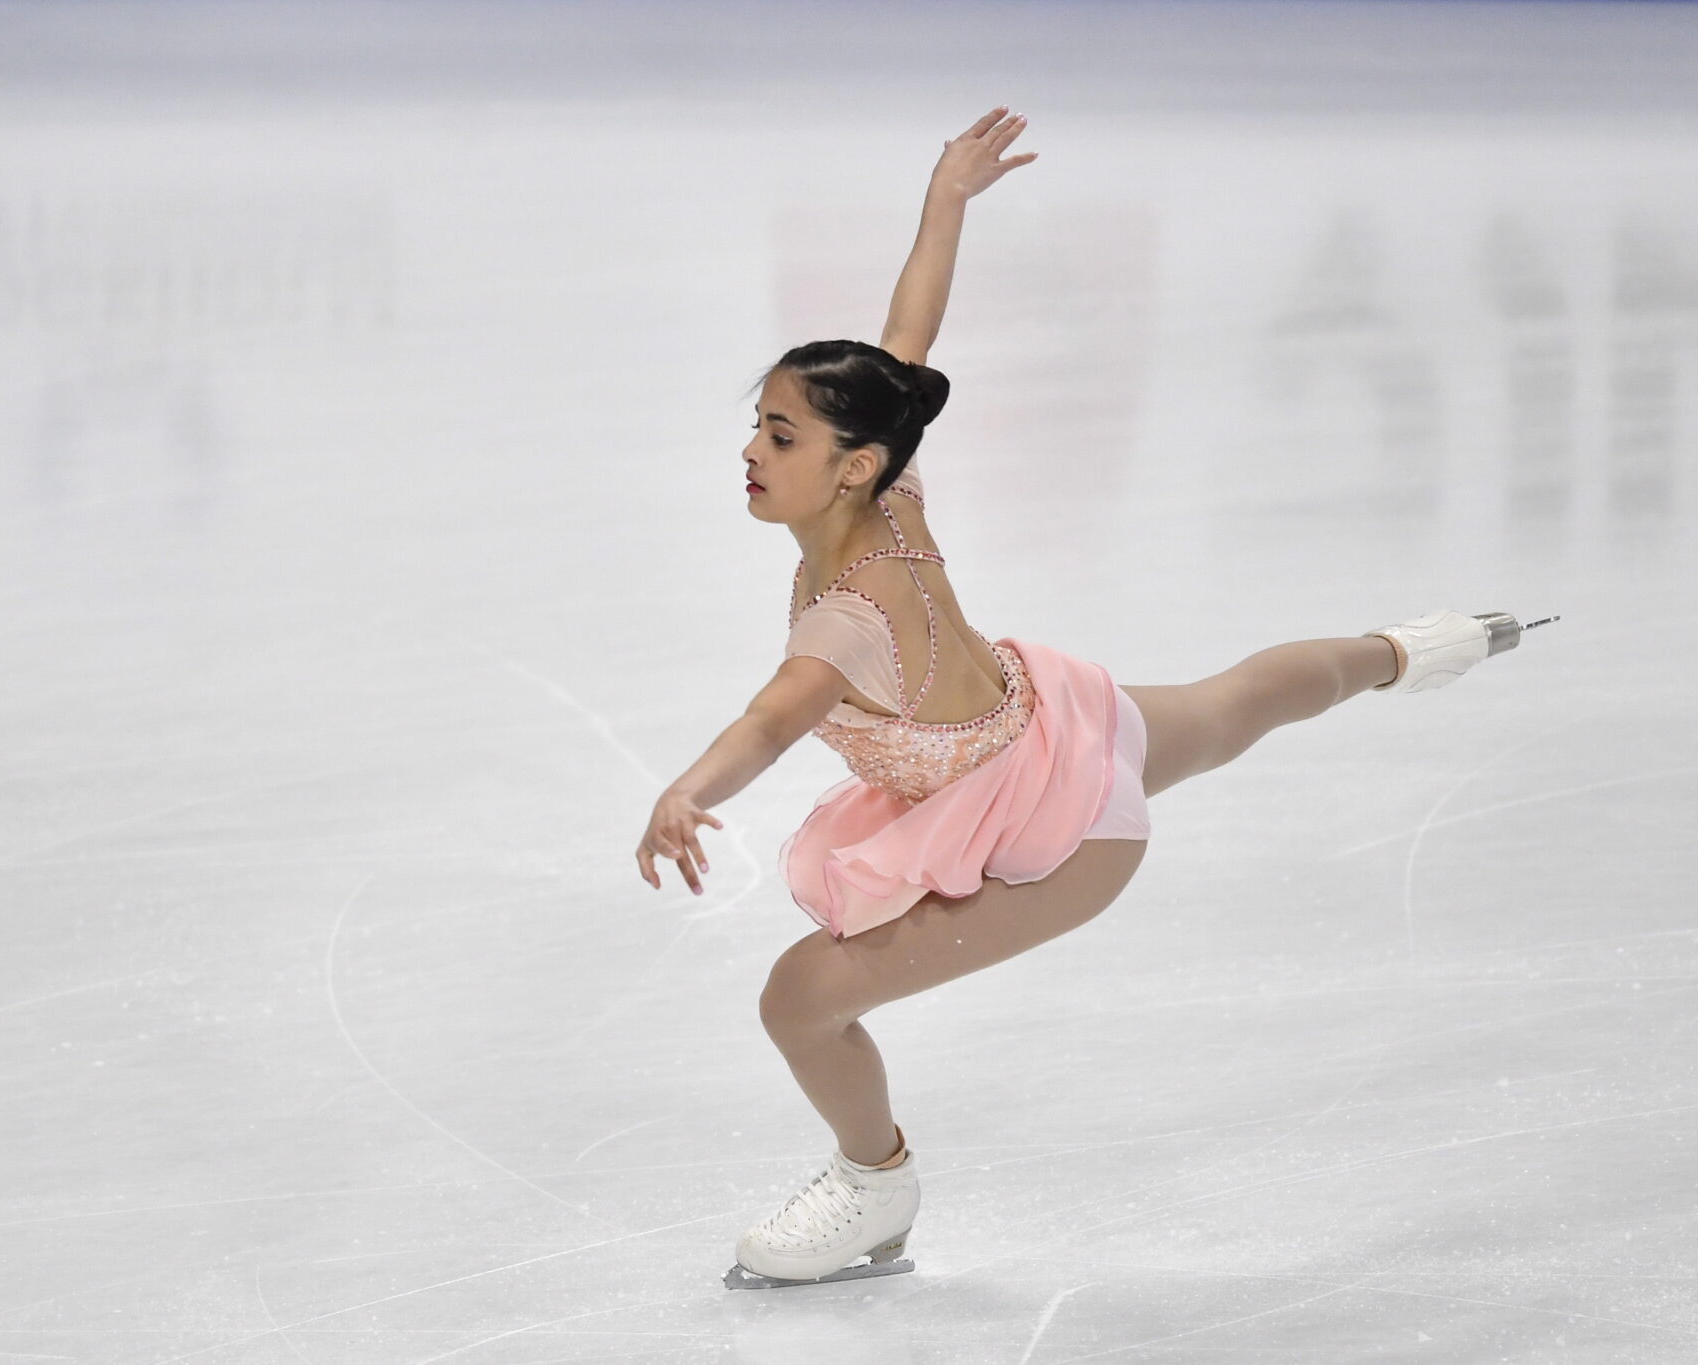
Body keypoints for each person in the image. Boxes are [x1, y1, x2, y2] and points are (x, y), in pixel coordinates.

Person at [633, 105, 1537, 1290]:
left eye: (781, 433)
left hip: (1051, 837)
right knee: (1239, 701)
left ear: (851, 464)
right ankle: (1412, 651)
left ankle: (874, 1182)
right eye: (757, 422)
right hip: (1049, 724)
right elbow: (906, 345)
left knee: (798, 999)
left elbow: (771, 718)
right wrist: (944, 201)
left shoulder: (846, 619)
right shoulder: (889, 489)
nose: (751, 449)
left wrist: (686, 790)